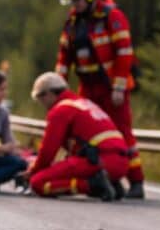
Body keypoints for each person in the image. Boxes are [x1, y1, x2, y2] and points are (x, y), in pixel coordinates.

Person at [56, 0, 145, 198]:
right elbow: (64, 57)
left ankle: (136, 182)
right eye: (72, 0)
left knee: (122, 134)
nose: (74, 4)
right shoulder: (73, 22)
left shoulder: (112, 17)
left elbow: (124, 53)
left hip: (111, 87)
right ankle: (107, 180)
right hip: (88, 87)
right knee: (87, 136)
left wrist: (118, 86)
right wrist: (58, 87)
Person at [22, 72, 128, 201]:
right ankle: (110, 182)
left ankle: (93, 185)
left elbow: (48, 152)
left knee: (38, 183)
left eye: (40, 98)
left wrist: (32, 172)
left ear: (48, 94)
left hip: (98, 161)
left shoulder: (60, 110)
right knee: (62, 170)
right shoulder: (84, 103)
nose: (42, 104)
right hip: (120, 163)